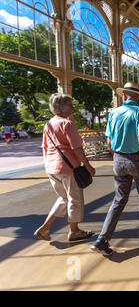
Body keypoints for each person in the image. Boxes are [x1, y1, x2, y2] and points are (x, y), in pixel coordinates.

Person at [91, 82, 139, 256]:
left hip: (118, 160)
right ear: (138, 98)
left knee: (118, 200)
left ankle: (102, 239)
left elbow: (108, 141)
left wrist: (118, 155)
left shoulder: (113, 113)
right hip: (136, 159)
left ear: (123, 96)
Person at [34, 93, 96, 242]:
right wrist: (88, 165)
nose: (73, 107)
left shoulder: (48, 124)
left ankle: (45, 227)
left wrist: (47, 165)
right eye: (70, 104)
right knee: (75, 199)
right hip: (69, 168)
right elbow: (77, 148)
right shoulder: (67, 124)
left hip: (52, 168)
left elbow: (44, 147)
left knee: (64, 198)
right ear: (61, 108)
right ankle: (74, 231)